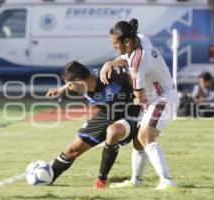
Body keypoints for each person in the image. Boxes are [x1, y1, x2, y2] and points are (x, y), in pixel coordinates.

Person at [100, 19, 179, 190]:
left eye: (115, 43)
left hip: (164, 99)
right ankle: (136, 181)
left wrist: (134, 102)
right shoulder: (139, 38)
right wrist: (110, 63)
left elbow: (139, 94)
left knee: (145, 136)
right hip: (157, 99)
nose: (113, 46)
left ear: (126, 41)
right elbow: (124, 58)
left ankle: (166, 181)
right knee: (137, 140)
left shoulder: (139, 62)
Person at [46, 61, 142, 189]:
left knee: (112, 132)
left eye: (69, 85)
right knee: (72, 150)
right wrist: (60, 89)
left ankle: (101, 180)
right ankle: (47, 178)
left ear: (79, 81)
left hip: (131, 115)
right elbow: (72, 82)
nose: (69, 88)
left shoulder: (111, 76)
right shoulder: (84, 81)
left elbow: (135, 73)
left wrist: (140, 96)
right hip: (107, 114)